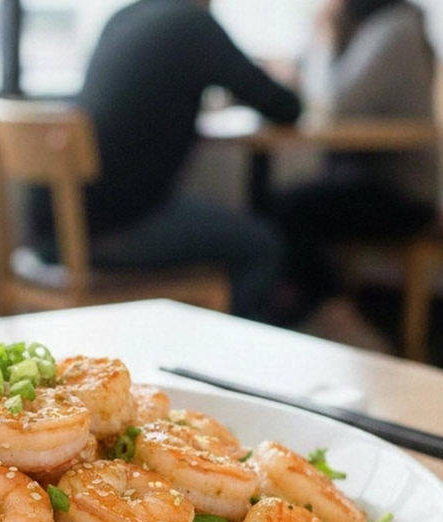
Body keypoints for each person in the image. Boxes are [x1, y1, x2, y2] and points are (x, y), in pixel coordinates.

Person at [26, 0, 303, 321]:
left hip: (53, 227)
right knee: (262, 247)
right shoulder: (195, 26)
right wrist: (286, 74)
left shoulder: (124, 17)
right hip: (111, 227)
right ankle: (231, 360)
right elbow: (283, 107)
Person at [270, 0, 439, 337]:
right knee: (286, 206)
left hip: (404, 192)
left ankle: (337, 319)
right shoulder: (379, 28)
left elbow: (338, 103)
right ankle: (323, 314)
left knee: (287, 210)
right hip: (371, 180)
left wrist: (323, 34)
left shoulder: (395, 30)